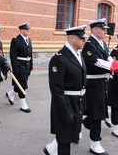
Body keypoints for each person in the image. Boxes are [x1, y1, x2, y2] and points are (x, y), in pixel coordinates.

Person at [44, 25, 88, 155]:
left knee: (68, 139)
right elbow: (56, 90)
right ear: (72, 39)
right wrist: (65, 113)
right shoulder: (59, 58)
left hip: (77, 103)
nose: (84, 40)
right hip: (66, 105)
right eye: (81, 38)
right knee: (64, 144)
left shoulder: (78, 55)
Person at [81, 18, 111, 155]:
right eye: (103, 29)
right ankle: (95, 143)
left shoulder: (102, 43)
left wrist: (116, 64)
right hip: (93, 84)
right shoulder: (89, 45)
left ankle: (81, 125)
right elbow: (95, 65)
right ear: (94, 30)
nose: (106, 31)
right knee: (97, 114)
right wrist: (113, 67)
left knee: (98, 111)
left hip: (102, 83)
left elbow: (108, 59)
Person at [6, 22, 33, 113]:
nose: (27, 30)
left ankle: (10, 94)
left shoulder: (29, 40)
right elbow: (13, 56)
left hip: (27, 65)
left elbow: (31, 54)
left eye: (28, 29)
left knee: (20, 83)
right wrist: (15, 68)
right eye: (25, 29)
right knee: (22, 85)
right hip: (20, 64)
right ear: (21, 30)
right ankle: (23, 104)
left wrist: (31, 65)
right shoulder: (16, 40)